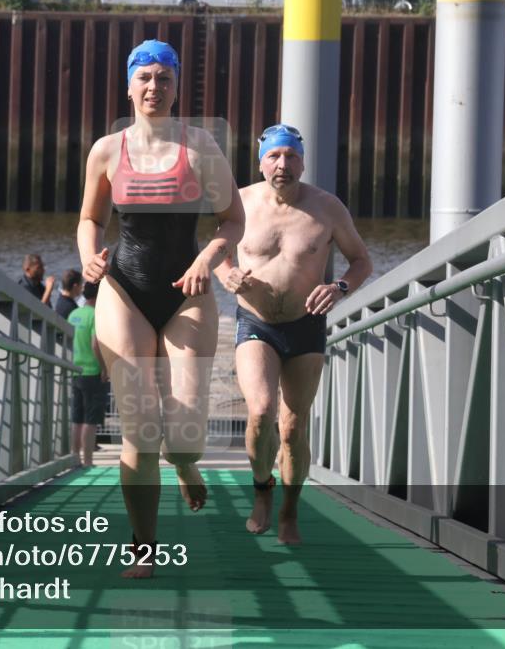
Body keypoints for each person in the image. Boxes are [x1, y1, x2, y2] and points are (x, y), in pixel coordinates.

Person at [78, 39, 244, 578]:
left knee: (184, 429)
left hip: (186, 292)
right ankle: (143, 549)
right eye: (144, 77)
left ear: (176, 87)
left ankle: (186, 465)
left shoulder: (200, 148)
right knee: (139, 424)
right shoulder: (107, 150)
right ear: (129, 86)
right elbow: (90, 220)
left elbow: (232, 221)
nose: (154, 87)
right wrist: (87, 257)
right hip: (124, 287)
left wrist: (209, 260)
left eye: (164, 78)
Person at [216, 124, 371, 545]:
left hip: (306, 326)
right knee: (262, 411)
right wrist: (227, 272)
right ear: (261, 161)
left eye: (291, 156)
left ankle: (289, 510)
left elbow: (360, 261)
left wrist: (339, 287)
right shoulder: (240, 203)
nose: (283, 165)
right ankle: (262, 488)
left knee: (292, 427)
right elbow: (215, 251)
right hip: (256, 323)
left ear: (302, 161)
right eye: (274, 157)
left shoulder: (327, 207)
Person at [68, 282, 106, 467]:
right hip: (92, 371)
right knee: (90, 420)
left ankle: (74, 458)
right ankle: (88, 461)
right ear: (98, 296)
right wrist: (104, 368)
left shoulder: (74, 314)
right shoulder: (96, 315)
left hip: (75, 370)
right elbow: (95, 344)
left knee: (77, 417)